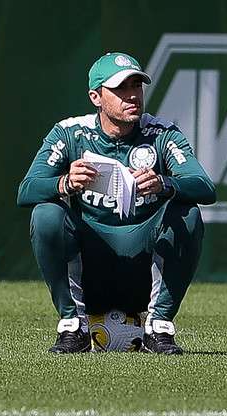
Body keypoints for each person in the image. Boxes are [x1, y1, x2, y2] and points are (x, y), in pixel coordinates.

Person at [17, 52, 216, 355]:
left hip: (143, 274)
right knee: (46, 214)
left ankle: (159, 326)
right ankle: (74, 326)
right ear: (96, 97)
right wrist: (65, 183)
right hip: (90, 272)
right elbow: (27, 190)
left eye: (137, 85)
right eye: (120, 88)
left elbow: (204, 187)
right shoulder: (70, 134)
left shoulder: (161, 134)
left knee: (186, 212)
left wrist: (166, 184)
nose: (132, 95)